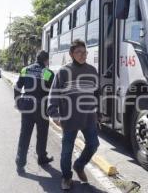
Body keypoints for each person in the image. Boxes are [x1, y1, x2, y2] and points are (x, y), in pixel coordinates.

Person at [47, 39, 99, 190]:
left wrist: (99, 113)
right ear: (71, 54)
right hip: (68, 118)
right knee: (67, 151)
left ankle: (79, 165)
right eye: (79, 52)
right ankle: (66, 177)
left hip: (89, 117)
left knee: (94, 144)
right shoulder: (64, 71)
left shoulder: (92, 70)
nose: (83, 55)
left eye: (85, 52)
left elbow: (96, 94)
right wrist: (54, 114)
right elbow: (54, 94)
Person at [14, 50, 55, 174]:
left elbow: (17, 87)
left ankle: (20, 163)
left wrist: (17, 101)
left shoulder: (25, 69)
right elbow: (53, 92)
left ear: (36, 58)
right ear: (46, 60)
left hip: (27, 106)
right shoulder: (48, 72)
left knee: (24, 135)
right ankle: (41, 158)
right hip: (42, 108)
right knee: (42, 134)